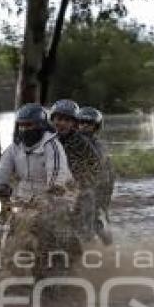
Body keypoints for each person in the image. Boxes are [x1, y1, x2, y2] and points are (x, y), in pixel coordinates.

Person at [0, 103, 77, 277]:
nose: (25, 129)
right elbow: (0, 171)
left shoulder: (52, 145)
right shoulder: (15, 147)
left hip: (56, 195)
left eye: (29, 125)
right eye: (21, 125)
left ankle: (50, 271)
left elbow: (57, 171)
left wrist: (54, 188)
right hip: (23, 196)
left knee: (44, 232)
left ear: (39, 126)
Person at [49, 99, 103, 241]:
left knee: (83, 224)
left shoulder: (81, 142)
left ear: (73, 123)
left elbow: (95, 166)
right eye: (58, 119)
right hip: (48, 188)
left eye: (66, 120)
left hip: (77, 190)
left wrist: (81, 183)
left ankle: (87, 245)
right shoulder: (45, 141)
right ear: (52, 120)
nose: (61, 123)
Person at [78, 106, 115, 245]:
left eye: (88, 124)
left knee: (90, 219)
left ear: (95, 127)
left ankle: (97, 242)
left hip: (93, 189)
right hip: (75, 188)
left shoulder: (98, 146)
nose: (84, 126)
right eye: (81, 123)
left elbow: (106, 174)